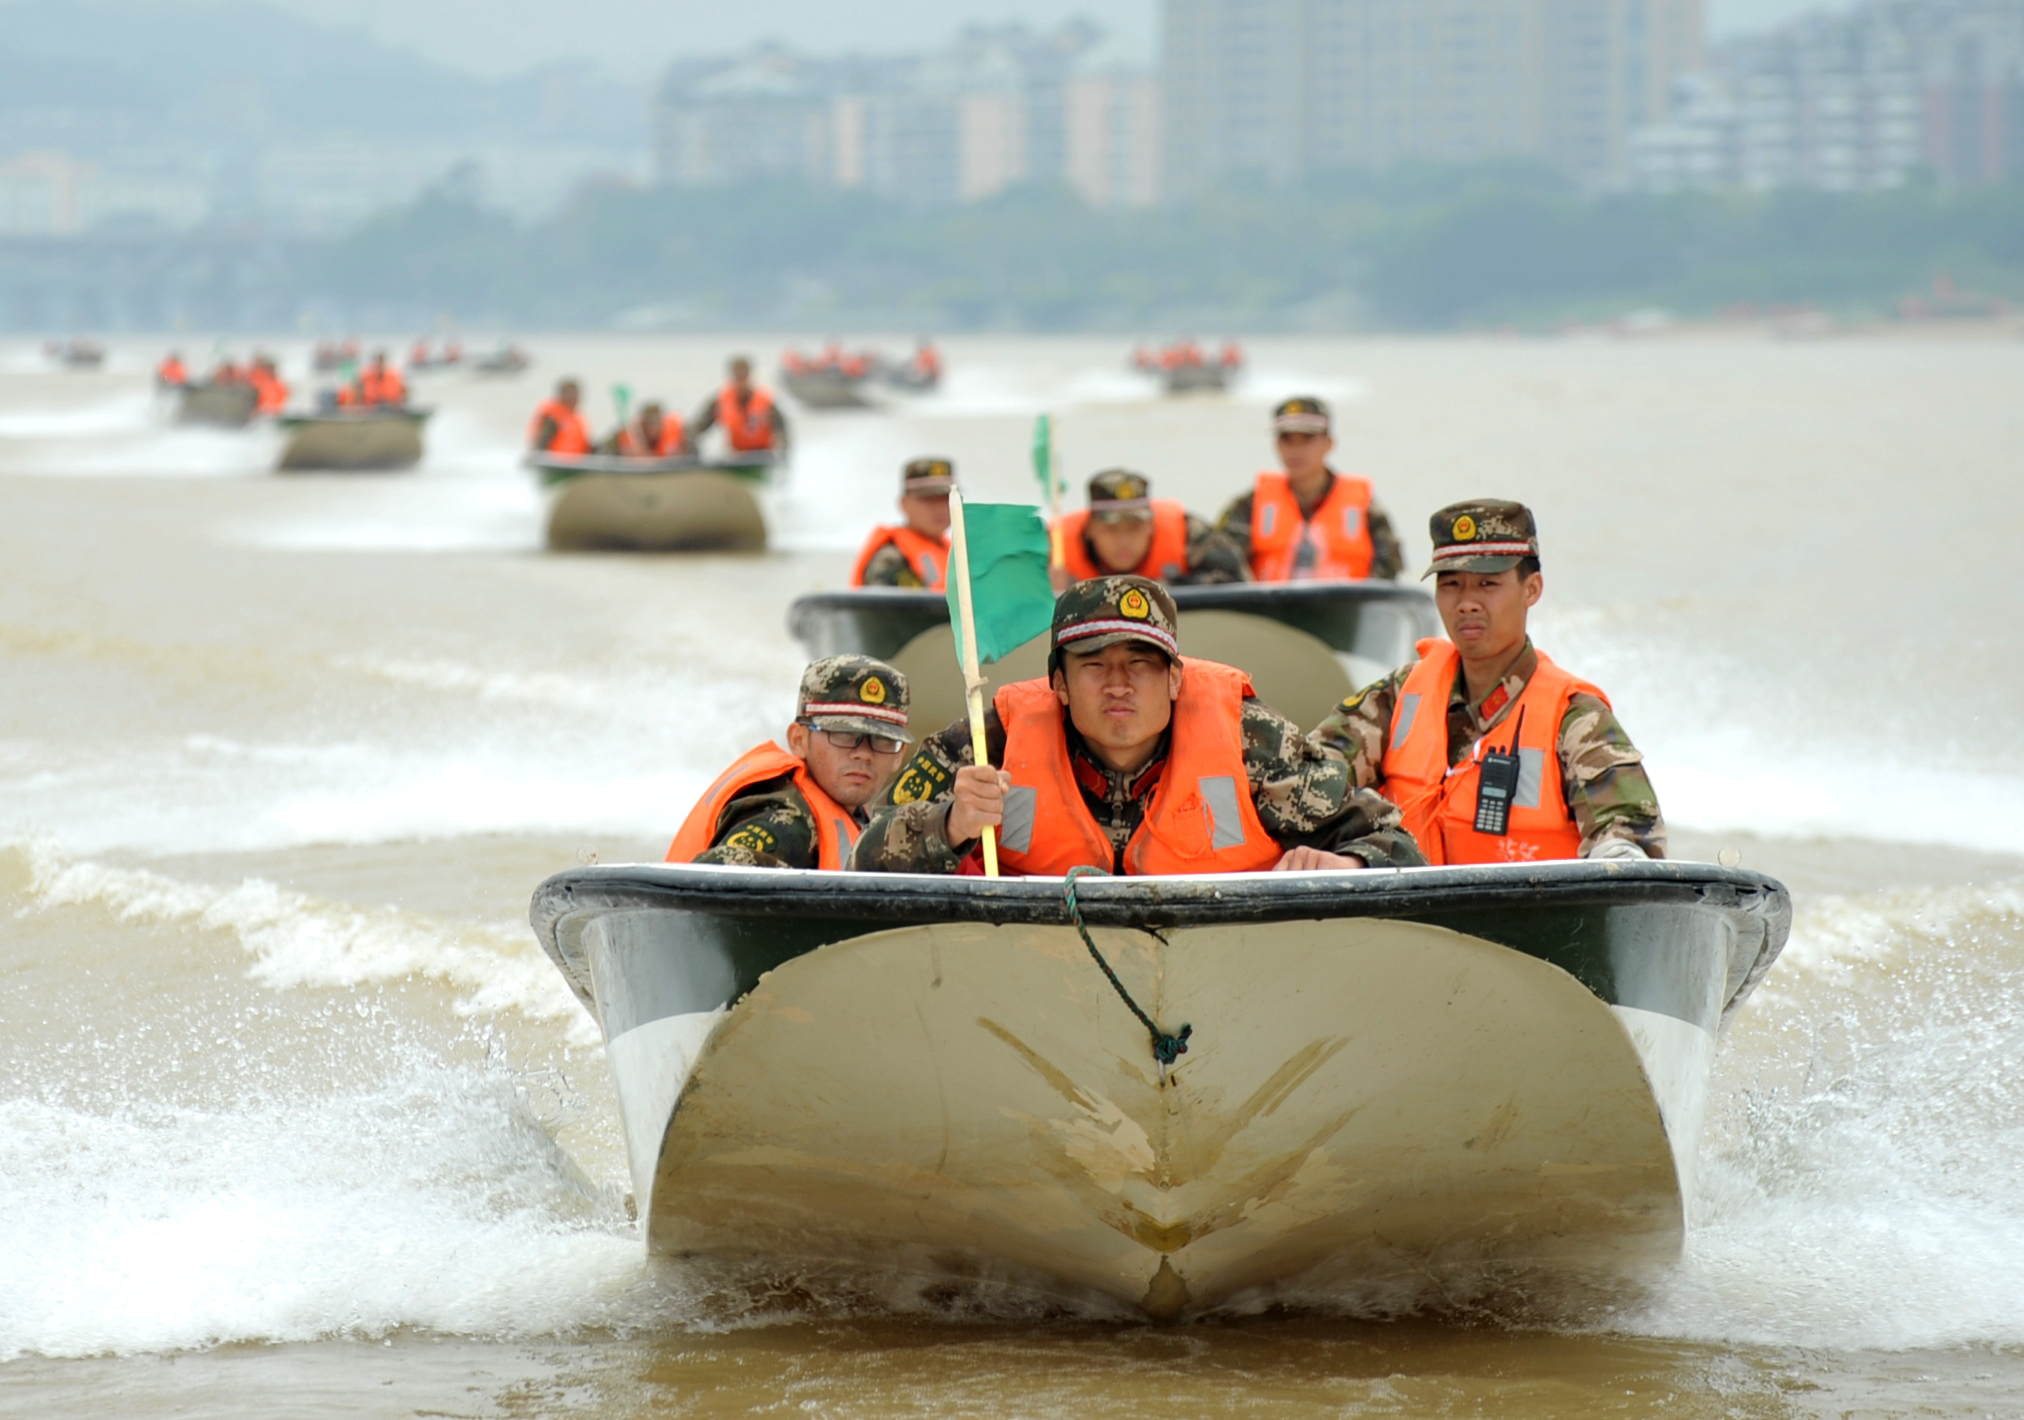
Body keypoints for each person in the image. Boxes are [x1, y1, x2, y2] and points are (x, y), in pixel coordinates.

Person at [852, 577, 1424, 875]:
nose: (1118, 685)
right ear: (1059, 685)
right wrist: (949, 823)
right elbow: (863, 854)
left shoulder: (1255, 742)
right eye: (1094, 665)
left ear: (1176, 679)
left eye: (1141, 665)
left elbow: (1398, 845)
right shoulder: (989, 742)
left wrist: (1347, 861)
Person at [1309, 500, 1665, 865]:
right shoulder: (1401, 695)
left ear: (1532, 590)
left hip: (1528, 915)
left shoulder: (1574, 717)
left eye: (1487, 584)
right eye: (1450, 585)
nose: (1466, 603)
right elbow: (1310, 775)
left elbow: (1627, 840)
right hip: (1405, 916)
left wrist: (1617, 858)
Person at [666, 656, 913, 870]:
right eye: (844, 736)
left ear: (898, 757)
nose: (864, 754)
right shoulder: (786, 819)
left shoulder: (856, 815)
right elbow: (711, 883)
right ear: (799, 740)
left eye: (882, 740)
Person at [1216, 397, 1404, 583]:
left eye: (1307, 439)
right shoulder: (1249, 506)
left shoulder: (1365, 508)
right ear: (1277, 445)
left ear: (1329, 443)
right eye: (1287, 439)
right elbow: (1222, 564)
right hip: (1267, 610)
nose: (1296, 450)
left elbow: (1390, 570)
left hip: (1347, 609)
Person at [1051, 468, 1249, 589]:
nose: (1124, 541)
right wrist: (1045, 592)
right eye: (1112, 529)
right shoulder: (1050, 547)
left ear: (1151, 525)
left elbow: (1236, 578)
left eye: (1134, 527)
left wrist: (1160, 588)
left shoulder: (1187, 531)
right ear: (1090, 528)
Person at [851, 458, 955, 590]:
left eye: (946, 499)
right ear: (904, 504)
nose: (939, 508)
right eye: (928, 499)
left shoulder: (957, 554)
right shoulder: (891, 558)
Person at [691, 356, 788, 454]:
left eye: (743, 376)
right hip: (737, 455)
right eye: (737, 376)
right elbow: (700, 425)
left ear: (749, 375)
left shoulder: (766, 402)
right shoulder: (720, 401)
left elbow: (781, 429)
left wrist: (782, 451)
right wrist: (688, 441)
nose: (740, 381)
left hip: (763, 454)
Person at [528, 379, 592, 454]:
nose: (573, 398)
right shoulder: (552, 417)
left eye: (575, 395)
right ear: (561, 395)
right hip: (557, 460)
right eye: (570, 395)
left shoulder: (576, 417)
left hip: (576, 460)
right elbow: (541, 441)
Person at [607, 400, 687, 458]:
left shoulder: (679, 432)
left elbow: (692, 455)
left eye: (656, 423)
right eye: (649, 423)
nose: (653, 428)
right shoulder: (628, 433)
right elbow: (604, 452)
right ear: (642, 423)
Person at [341, 351, 407, 409]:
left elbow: (402, 391)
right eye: (378, 363)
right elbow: (356, 388)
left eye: (381, 363)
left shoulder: (393, 377)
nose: (380, 366)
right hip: (370, 407)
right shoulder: (367, 376)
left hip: (390, 407)